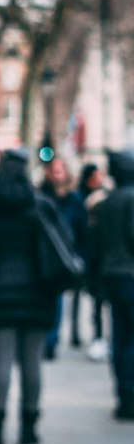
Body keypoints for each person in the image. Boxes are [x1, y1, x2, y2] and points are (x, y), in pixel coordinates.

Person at [0, 148, 65, 444]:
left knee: (1, 361)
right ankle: (29, 428)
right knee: (32, 362)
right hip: (37, 293)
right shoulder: (41, 204)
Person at [88, 150, 134, 421]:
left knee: (119, 335)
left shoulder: (106, 202)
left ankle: (122, 391)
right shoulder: (131, 199)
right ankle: (129, 393)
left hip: (111, 276)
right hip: (129, 275)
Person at [39, 157, 87, 361]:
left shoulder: (74, 200)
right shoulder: (40, 196)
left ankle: (54, 339)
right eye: (54, 169)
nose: (57, 173)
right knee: (51, 301)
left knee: (61, 301)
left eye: (60, 169)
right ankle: (48, 339)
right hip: (44, 258)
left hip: (66, 258)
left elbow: (82, 230)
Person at [75, 162, 109, 360]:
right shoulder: (82, 199)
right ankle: (90, 335)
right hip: (91, 257)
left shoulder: (104, 197)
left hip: (99, 257)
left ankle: (99, 337)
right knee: (93, 300)